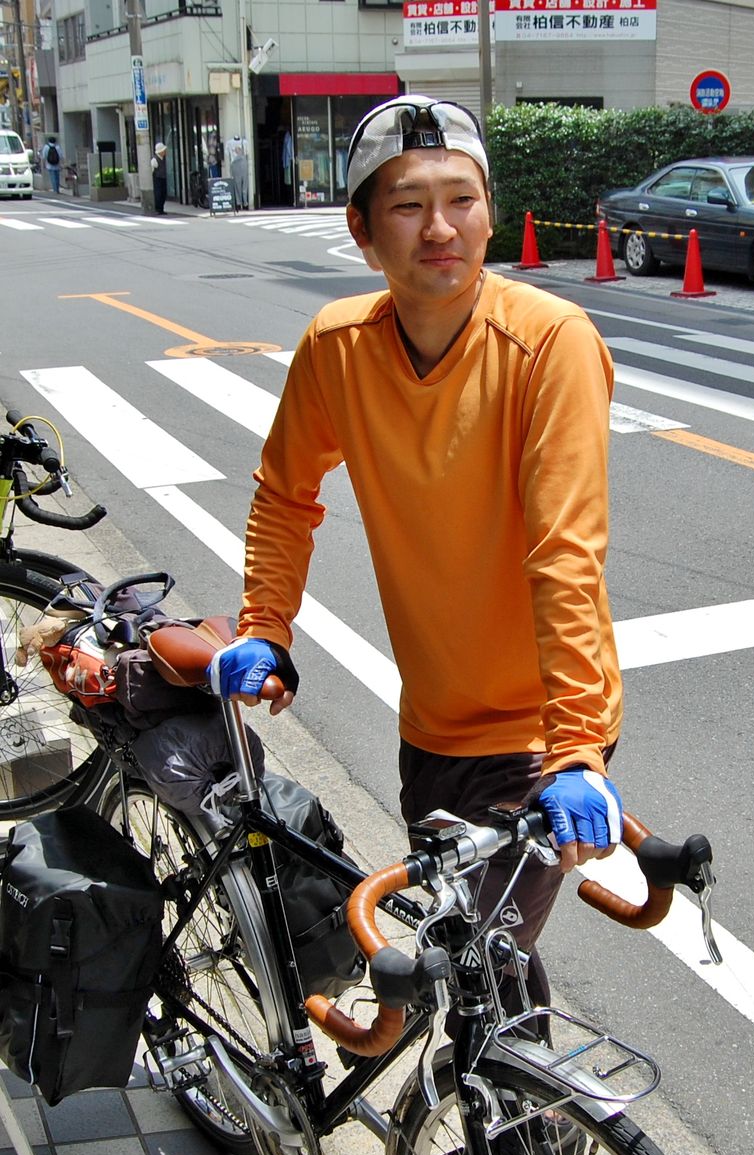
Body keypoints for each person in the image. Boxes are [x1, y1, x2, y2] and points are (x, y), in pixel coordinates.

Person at [210, 96, 623, 1018]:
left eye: (461, 200)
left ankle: (510, 1102)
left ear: (489, 213)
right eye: (407, 205)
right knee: (474, 959)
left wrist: (578, 747)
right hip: (431, 726)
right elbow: (286, 491)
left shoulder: (550, 343)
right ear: (363, 232)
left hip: (538, 733)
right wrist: (265, 626)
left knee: (473, 958)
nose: (441, 228)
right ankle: (522, 1091)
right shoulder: (337, 347)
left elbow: (564, 552)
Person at [150, 142, 167, 215]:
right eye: (164, 150)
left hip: (163, 178)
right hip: (157, 179)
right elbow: (151, 170)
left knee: (163, 193)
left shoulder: (163, 158)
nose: (165, 151)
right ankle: (158, 209)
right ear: (160, 151)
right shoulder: (154, 159)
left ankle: (161, 209)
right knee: (158, 194)